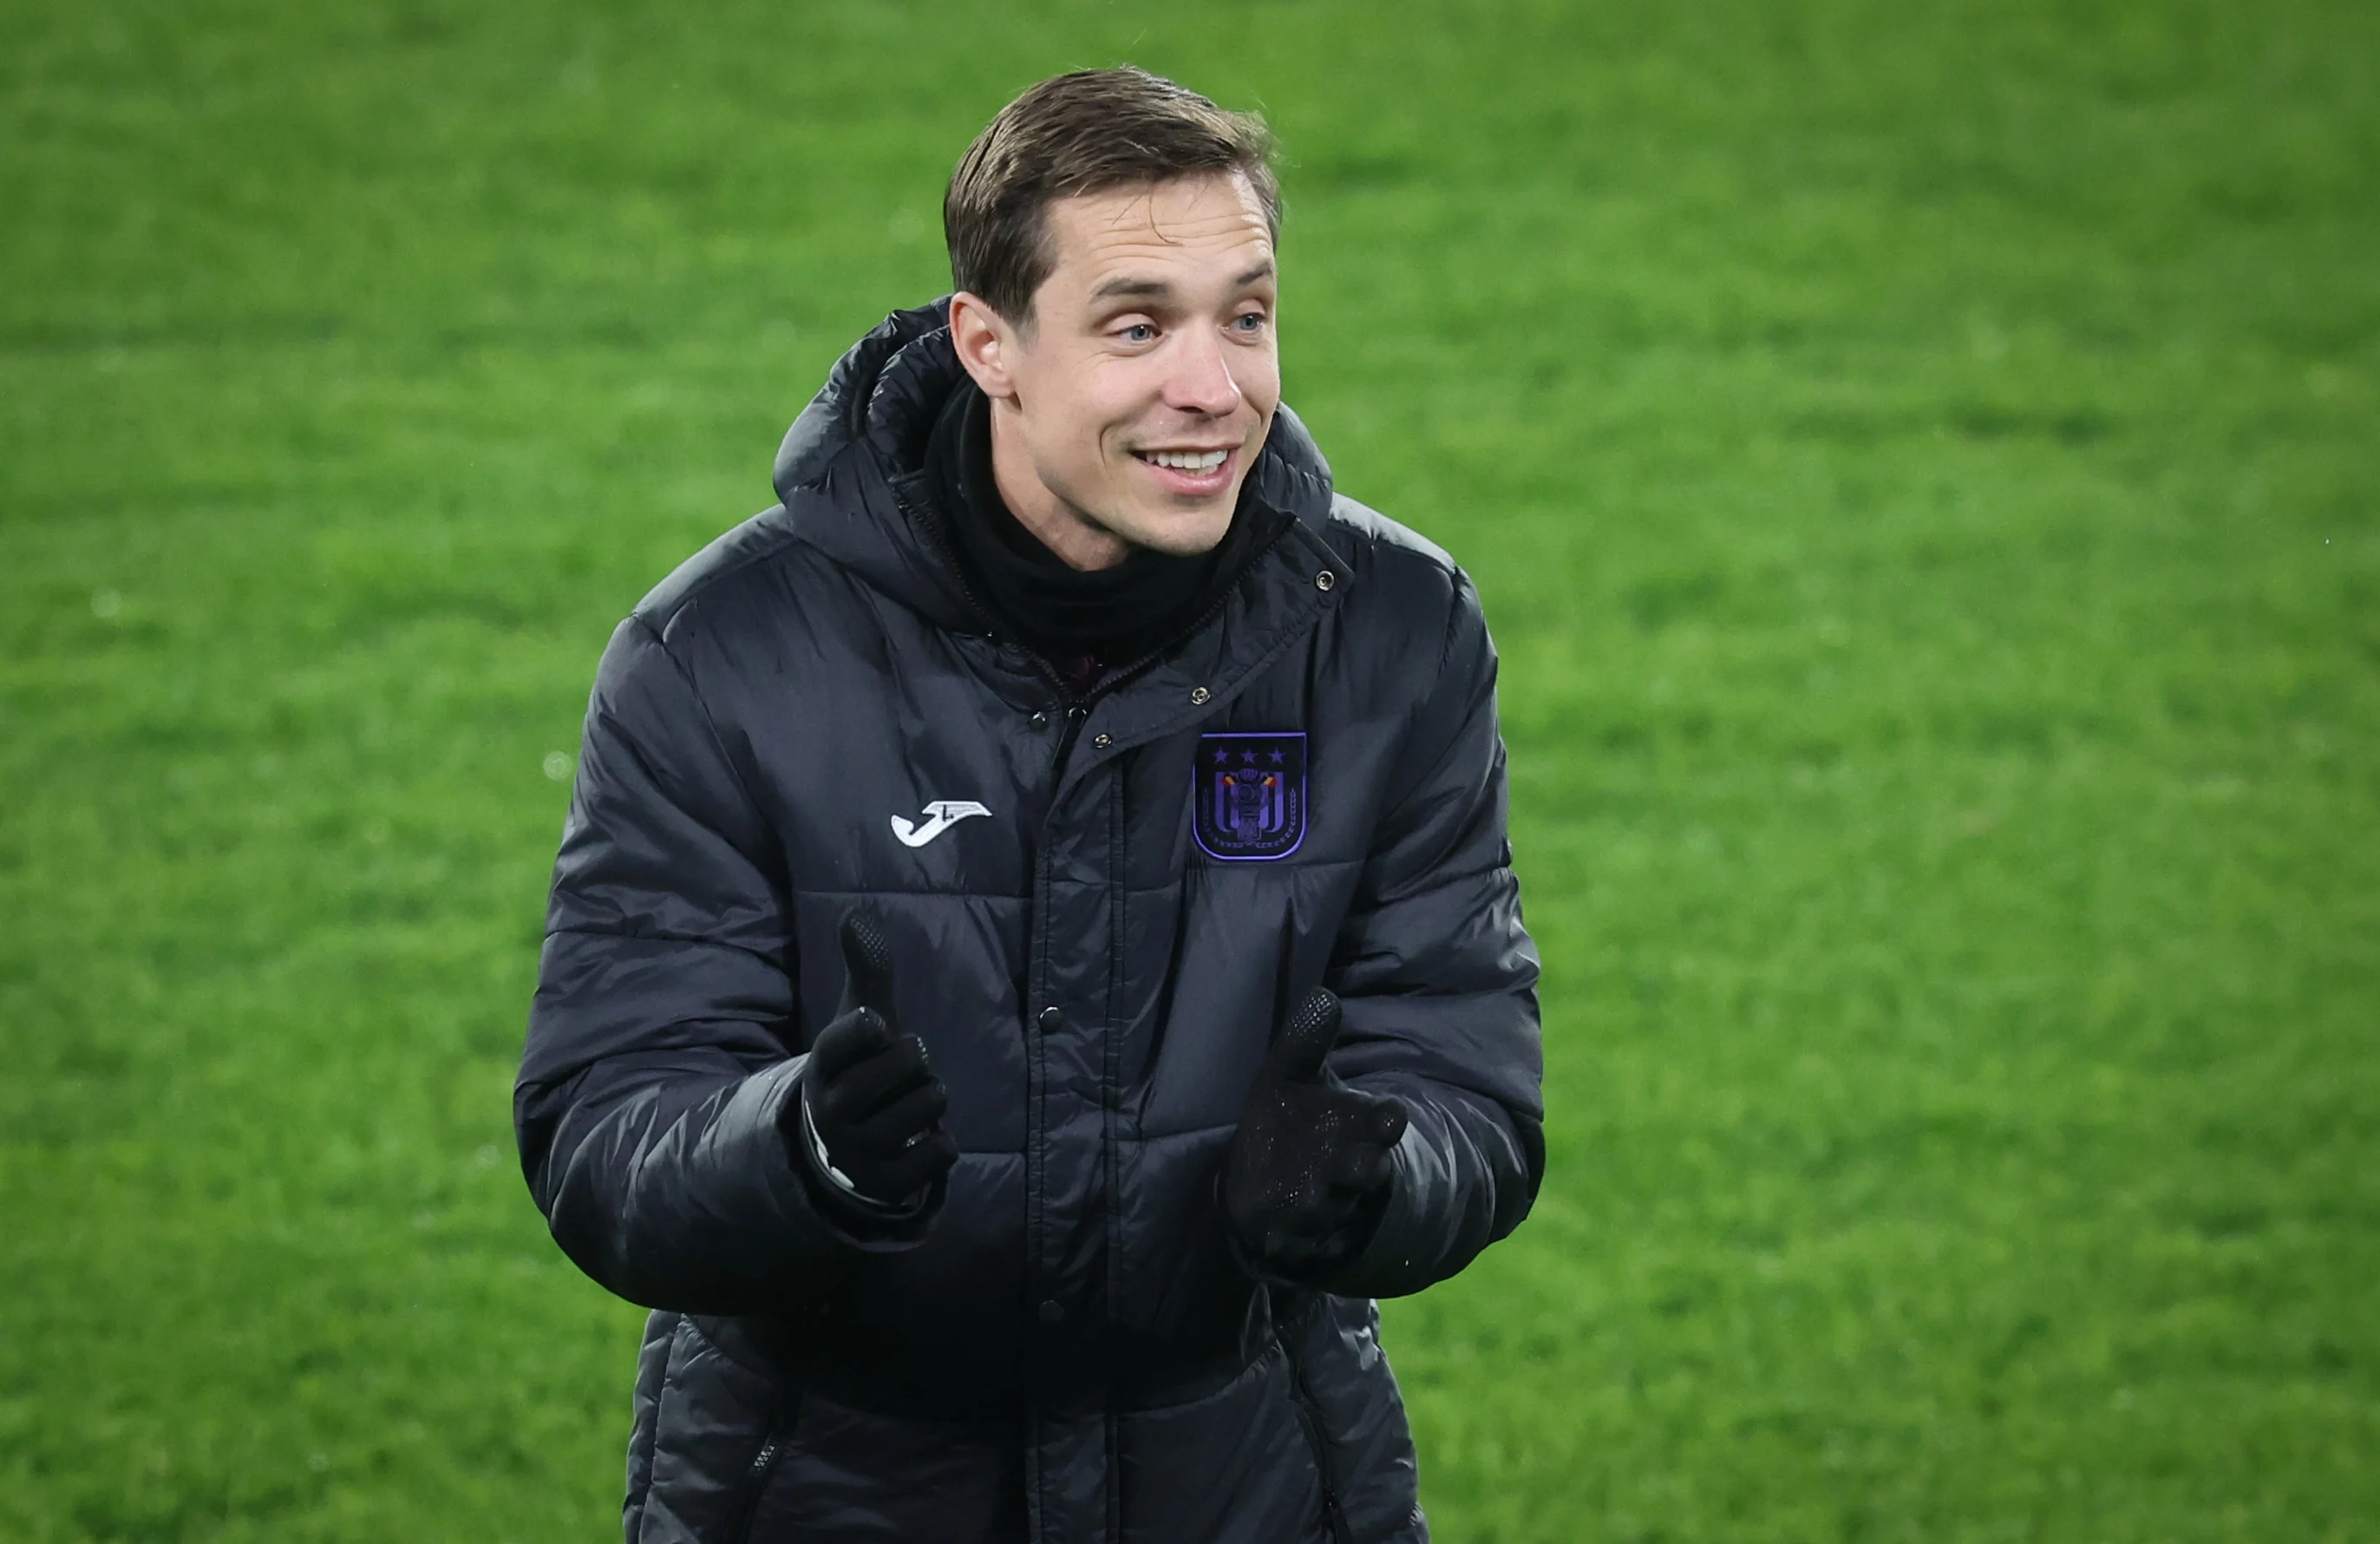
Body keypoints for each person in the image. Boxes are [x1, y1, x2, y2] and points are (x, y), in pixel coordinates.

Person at [515, 65, 1543, 1544]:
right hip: (827, 1490)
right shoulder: (720, 658)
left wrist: (1374, 1181)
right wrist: (793, 1149)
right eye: (1139, 326)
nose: (1217, 386)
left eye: (1246, 315)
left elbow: (1471, 1080)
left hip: (1249, 1484)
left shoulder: (1394, 629)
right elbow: (603, 1126)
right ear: (988, 344)